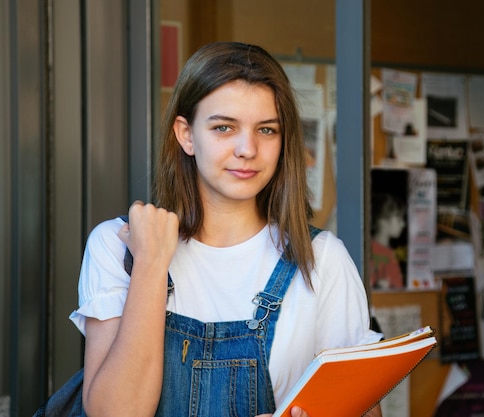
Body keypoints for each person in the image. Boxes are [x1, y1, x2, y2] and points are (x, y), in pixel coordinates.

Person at [69, 41, 383, 417]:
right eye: (224, 127)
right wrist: (151, 263)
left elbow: (365, 412)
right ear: (186, 135)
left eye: (266, 130)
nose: (247, 148)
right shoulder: (116, 246)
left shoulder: (322, 260)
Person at [370, 193, 406, 290]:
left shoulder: (389, 252)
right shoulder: (369, 252)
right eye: (398, 219)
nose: (403, 224)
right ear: (382, 221)